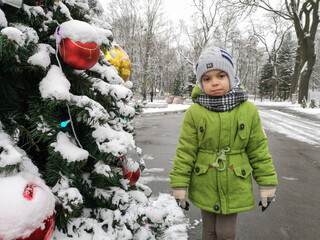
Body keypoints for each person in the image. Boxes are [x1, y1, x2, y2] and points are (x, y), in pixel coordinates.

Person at [169, 46, 278, 240]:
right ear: (201, 83)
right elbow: (185, 151)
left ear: (231, 76)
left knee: (226, 232)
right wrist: (179, 186)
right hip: (205, 182)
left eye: (220, 75)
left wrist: (267, 183)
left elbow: (258, 150)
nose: (215, 83)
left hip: (234, 182)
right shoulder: (195, 112)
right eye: (207, 78)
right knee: (209, 230)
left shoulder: (248, 110)